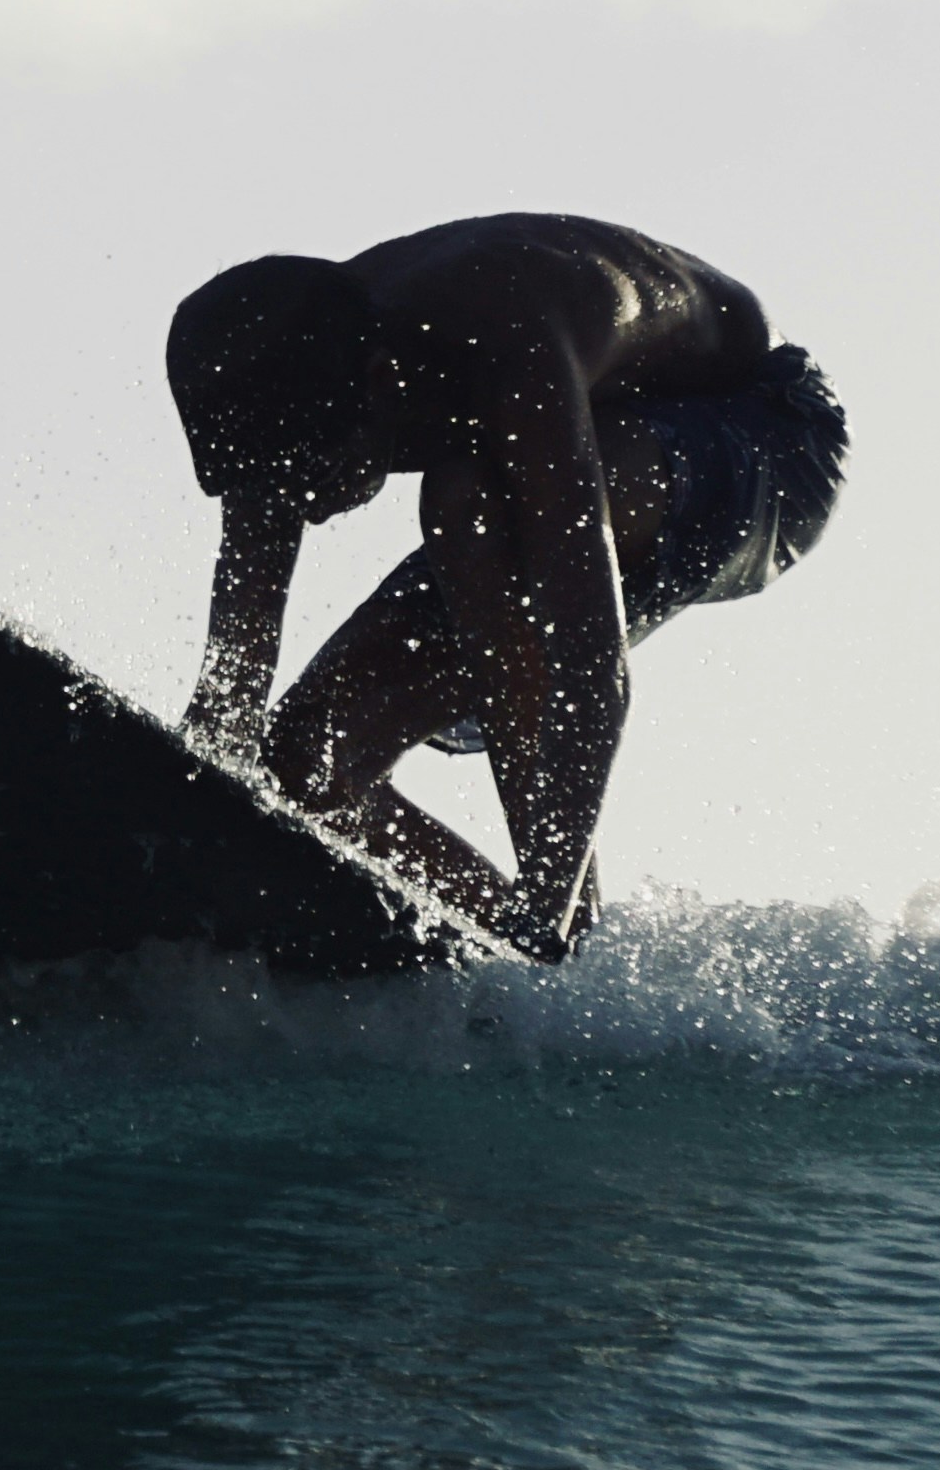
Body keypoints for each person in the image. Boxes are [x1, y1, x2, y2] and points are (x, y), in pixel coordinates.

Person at [167, 214, 846, 960]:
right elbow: (233, 677)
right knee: (305, 762)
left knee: (465, 501)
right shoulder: (272, 375)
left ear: (379, 384)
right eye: (274, 484)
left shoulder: (503, 333)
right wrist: (183, 812)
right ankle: (496, 945)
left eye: (313, 472)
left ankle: (552, 934)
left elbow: (588, 667)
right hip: (554, 485)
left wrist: (547, 904)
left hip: (767, 440)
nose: (305, 504)